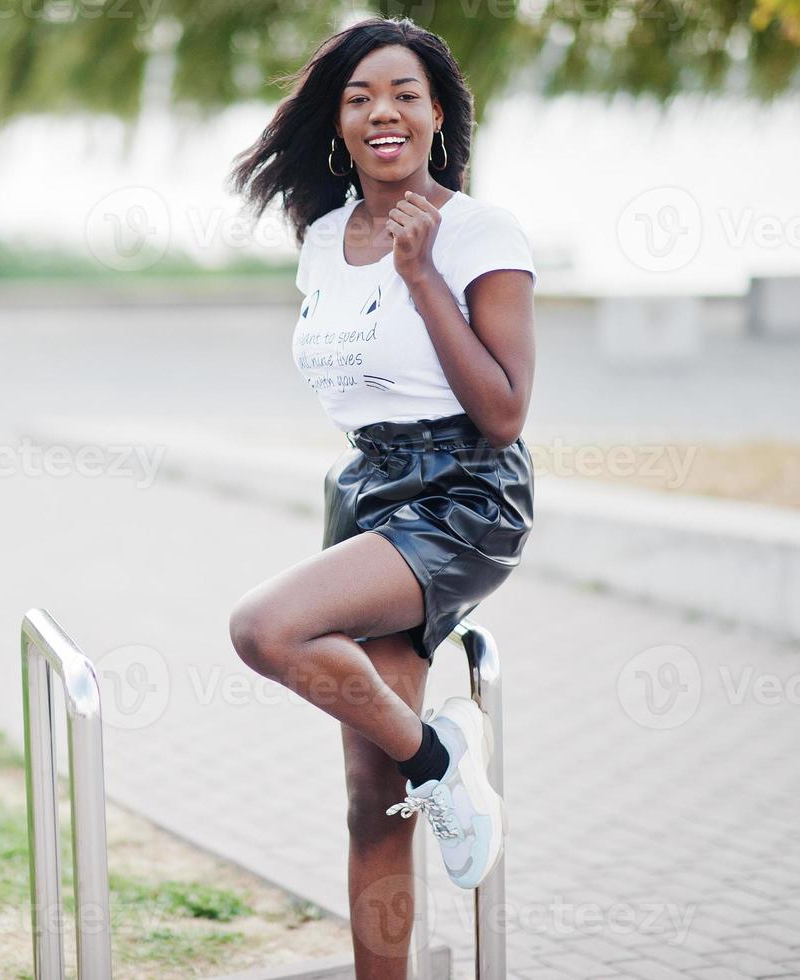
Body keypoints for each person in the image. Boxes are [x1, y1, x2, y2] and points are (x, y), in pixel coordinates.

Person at [225, 15, 536, 976]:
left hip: (463, 493)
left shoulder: (482, 232)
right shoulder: (320, 236)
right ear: (338, 123)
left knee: (264, 629)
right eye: (359, 99)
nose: (382, 113)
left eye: (404, 94)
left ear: (437, 114)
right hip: (366, 488)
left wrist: (421, 275)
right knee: (372, 797)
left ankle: (444, 766)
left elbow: (504, 412)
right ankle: (425, 776)